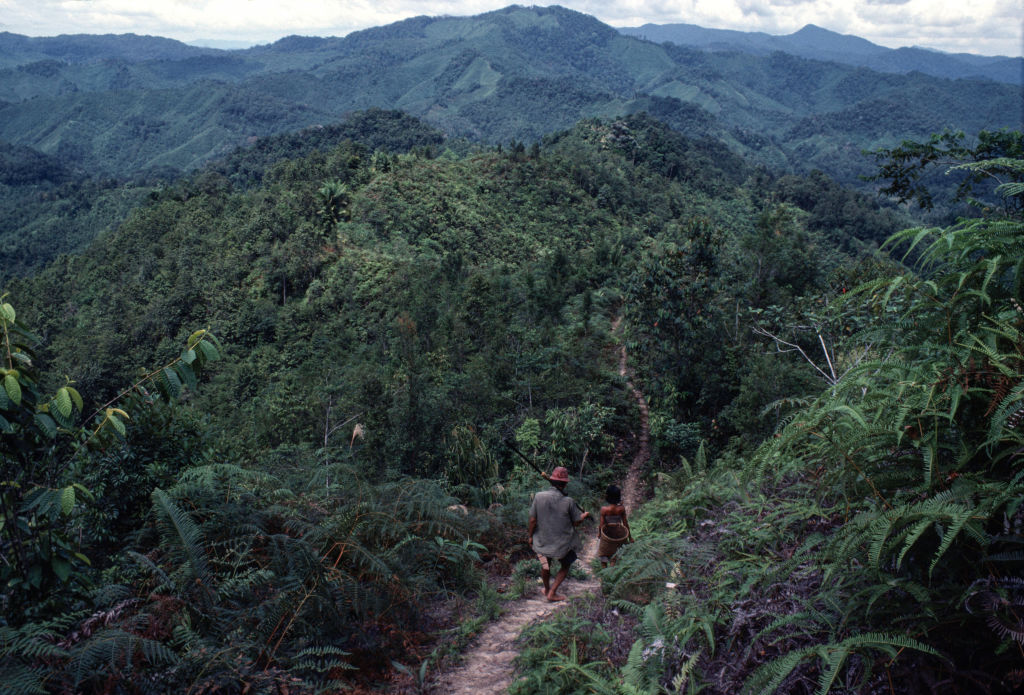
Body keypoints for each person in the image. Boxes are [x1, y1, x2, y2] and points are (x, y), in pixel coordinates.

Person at [528, 466, 590, 601]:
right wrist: (584, 516)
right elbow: (576, 522)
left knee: (545, 565)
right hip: (562, 543)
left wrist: (530, 536)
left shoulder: (539, 496)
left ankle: (547, 589)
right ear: (565, 483)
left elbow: (532, 520)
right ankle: (552, 592)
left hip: (542, 540)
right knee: (566, 565)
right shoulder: (569, 501)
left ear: (551, 481)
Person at [598, 484, 630, 567]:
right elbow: (625, 523)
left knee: (603, 554)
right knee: (614, 555)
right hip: (617, 535)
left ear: (607, 496)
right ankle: (612, 573)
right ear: (618, 497)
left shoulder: (604, 509)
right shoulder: (621, 509)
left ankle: (604, 575)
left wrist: (599, 534)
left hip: (606, 534)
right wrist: (630, 537)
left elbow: (601, 525)